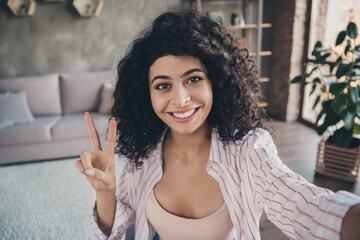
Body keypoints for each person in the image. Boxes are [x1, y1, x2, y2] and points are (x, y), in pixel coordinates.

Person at [75, 10, 360, 240]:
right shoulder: (144, 157)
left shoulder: (249, 151)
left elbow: (303, 206)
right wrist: (105, 191)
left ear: (217, 82)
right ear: (146, 95)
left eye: (194, 79)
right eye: (163, 86)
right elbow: (110, 231)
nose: (181, 99)